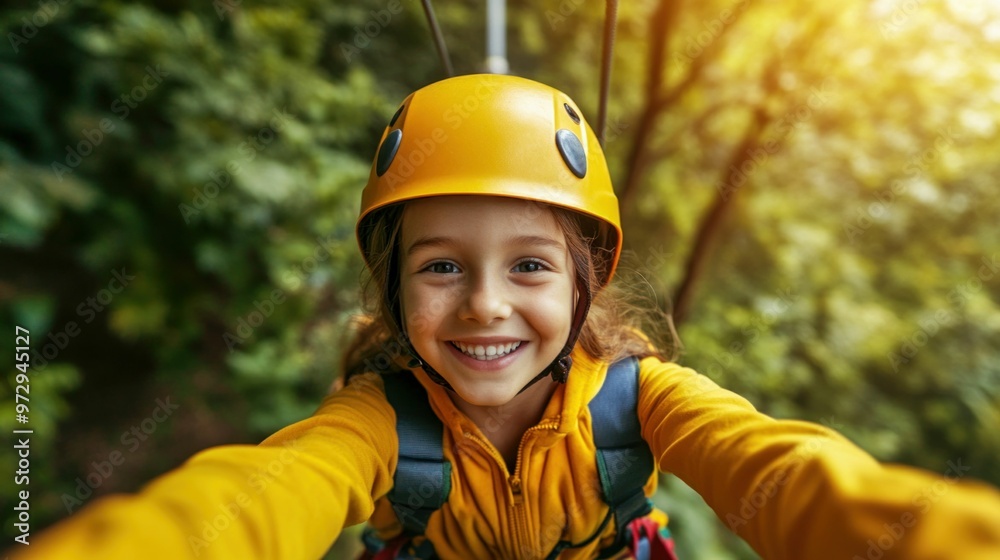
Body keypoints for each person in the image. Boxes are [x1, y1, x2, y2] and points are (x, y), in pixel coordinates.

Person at [12, 74, 1000, 560]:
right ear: (396, 286)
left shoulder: (643, 398)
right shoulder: (377, 421)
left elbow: (792, 479)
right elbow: (253, 500)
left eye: (528, 263)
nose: (484, 303)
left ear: (585, 281)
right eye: (441, 266)